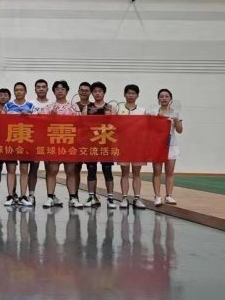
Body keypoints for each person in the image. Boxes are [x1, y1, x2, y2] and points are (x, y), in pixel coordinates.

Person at [39, 80, 83, 209]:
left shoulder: (74, 107)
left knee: (71, 171)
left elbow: (79, 124)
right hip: (54, 143)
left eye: (63, 89)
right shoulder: (48, 107)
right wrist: (50, 117)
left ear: (67, 91)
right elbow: (40, 125)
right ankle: (50, 197)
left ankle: (73, 197)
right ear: (53, 91)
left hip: (69, 144)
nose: (60, 91)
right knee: (52, 170)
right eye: (57, 89)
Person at [84, 81, 117, 209]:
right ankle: (91, 197)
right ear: (92, 93)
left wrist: (110, 119)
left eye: (100, 91)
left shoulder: (111, 108)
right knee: (91, 170)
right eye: (95, 91)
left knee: (107, 170)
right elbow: (83, 127)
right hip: (91, 144)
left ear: (104, 93)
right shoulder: (87, 108)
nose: (97, 93)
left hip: (106, 143)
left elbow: (117, 127)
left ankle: (110, 198)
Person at [2, 82, 35, 207]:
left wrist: (29, 116)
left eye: (21, 89)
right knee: (11, 169)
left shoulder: (31, 106)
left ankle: (23, 196)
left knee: (24, 170)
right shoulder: (8, 105)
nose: (19, 92)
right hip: (11, 141)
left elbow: (37, 122)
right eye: (16, 90)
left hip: (26, 141)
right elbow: (2, 122)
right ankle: (10, 196)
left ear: (25, 91)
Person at [117, 84, 147, 209]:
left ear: (137, 95)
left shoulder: (142, 111)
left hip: (138, 146)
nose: (131, 95)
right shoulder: (118, 109)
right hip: (123, 146)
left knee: (136, 173)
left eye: (133, 93)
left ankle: (137, 199)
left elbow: (146, 128)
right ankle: (124, 198)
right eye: (128, 93)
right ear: (124, 94)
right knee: (124, 173)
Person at [152, 88, 183, 206]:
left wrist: (177, 121)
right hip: (157, 145)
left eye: (166, 96)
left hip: (171, 145)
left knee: (169, 172)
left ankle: (169, 196)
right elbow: (149, 128)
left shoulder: (176, 113)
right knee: (157, 172)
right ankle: (157, 196)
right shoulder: (154, 112)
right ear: (158, 99)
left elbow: (179, 130)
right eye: (161, 96)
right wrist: (158, 118)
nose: (164, 98)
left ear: (170, 99)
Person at [28, 79, 51, 205]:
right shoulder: (30, 104)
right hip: (34, 140)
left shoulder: (53, 104)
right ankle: (31, 195)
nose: (41, 89)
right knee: (33, 168)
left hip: (49, 140)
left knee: (50, 169)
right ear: (35, 89)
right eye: (38, 87)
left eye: (43, 87)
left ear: (47, 89)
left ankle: (50, 196)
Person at [0, 88, 12, 198]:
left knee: (11, 169)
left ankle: (12, 193)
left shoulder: (14, 110)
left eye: (5, 95)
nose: (3, 97)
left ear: (9, 97)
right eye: (0, 95)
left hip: (10, 144)